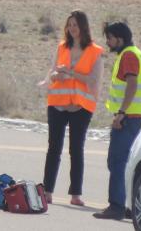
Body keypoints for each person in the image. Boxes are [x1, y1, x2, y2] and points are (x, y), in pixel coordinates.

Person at [41, 10, 103, 207]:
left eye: (75, 25)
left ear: (83, 27)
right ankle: (47, 191)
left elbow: (93, 81)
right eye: (69, 25)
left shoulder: (95, 51)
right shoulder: (61, 47)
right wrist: (55, 76)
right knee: (54, 148)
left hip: (80, 107)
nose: (72, 28)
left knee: (76, 149)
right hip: (58, 105)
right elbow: (51, 73)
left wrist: (71, 73)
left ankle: (75, 194)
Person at [93, 21, 141, 221]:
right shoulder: (136, 53)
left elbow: (132, 85)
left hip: (128, 118)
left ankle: (117, 206)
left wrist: (121, 113)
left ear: (120, 38)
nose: (108, 42)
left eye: (110, 38)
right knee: (124, 163)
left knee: (117, 161)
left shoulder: (128, 55)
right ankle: (127, 205)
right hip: (134, 117)